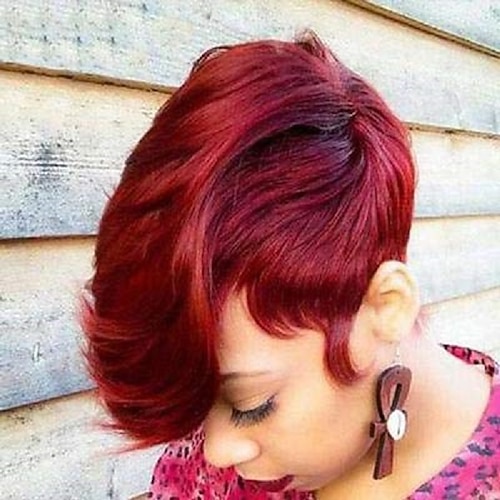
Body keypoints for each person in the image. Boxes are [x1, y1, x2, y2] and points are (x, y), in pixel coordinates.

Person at [81, 31, 500, 499]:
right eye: (198, 408)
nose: (216, 451)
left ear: (388, 306)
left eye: (251, 405)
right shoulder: (204, 464)